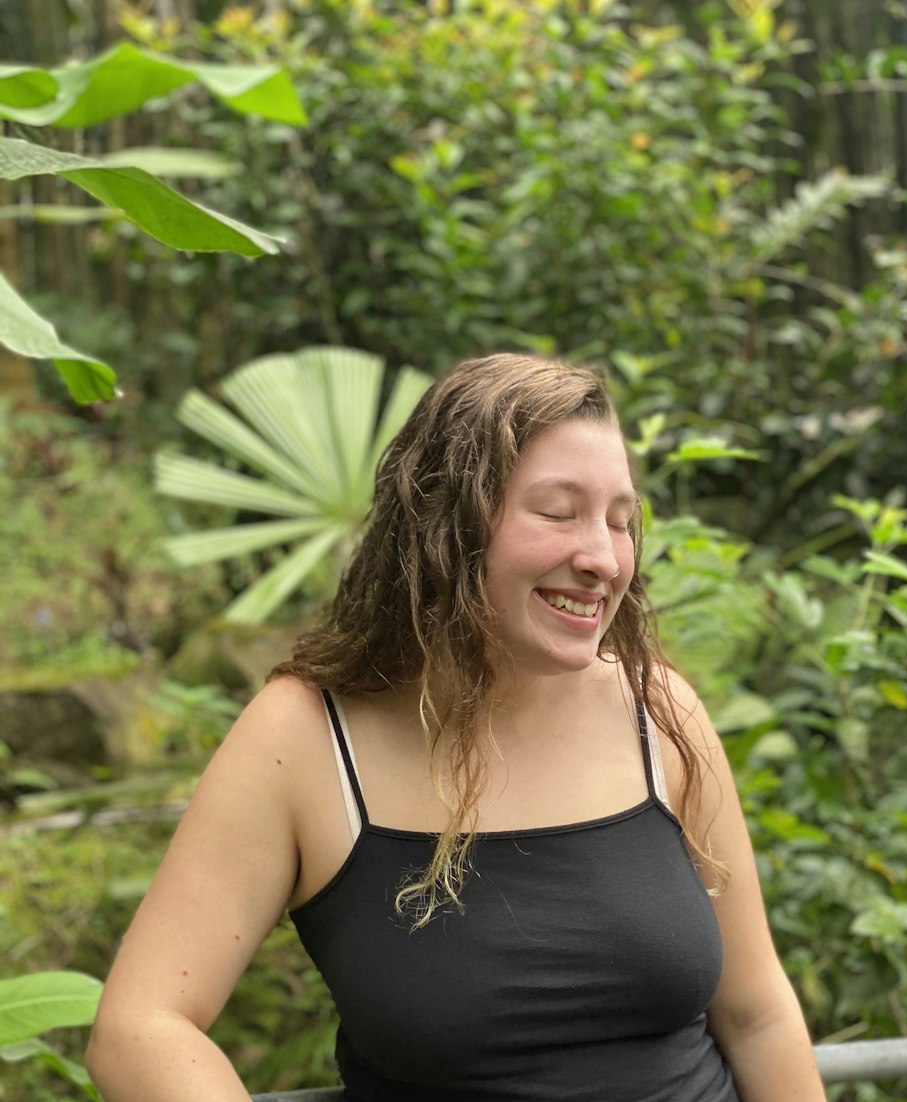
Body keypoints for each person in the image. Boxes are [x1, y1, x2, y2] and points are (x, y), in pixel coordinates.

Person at [87, 354, 826, 1102]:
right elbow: (142, 1025)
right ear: (444, 522)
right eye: (558, 511)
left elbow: (758, 1013)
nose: (602, 557)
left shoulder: (659, 712)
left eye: (620, 521)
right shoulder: (306, 739)